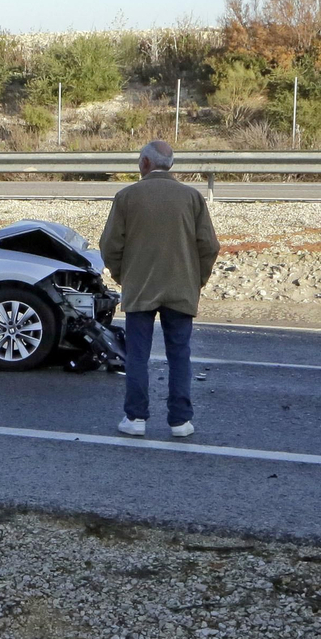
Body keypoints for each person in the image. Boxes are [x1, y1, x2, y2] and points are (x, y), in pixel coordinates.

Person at [99, 140, 219, 438]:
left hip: (140, 287)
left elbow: (110, 245)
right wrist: (196, 280)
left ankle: (136, 418)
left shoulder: (126, 196)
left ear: (144, 164)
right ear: (170, 165)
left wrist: (122, 276)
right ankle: (180, 421)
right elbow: (209, 246)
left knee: (138, 354)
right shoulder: (191, 197)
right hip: (181, 287)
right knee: (180, 354)